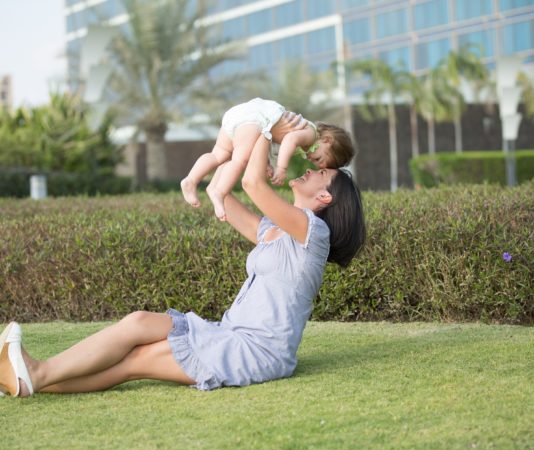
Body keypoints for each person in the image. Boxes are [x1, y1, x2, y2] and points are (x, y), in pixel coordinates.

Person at [0, 119, 365, 397]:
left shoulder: (314, 235)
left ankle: (35, 375)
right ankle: (29, 378)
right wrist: (243, 138)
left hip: (255, 351)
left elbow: (254, 185)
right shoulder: (275, 231)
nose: (311, 168)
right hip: (227, 332)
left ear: (325, 199)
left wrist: (267, 123)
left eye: (321, 173)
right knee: (138, 323)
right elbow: (219, 191)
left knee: (136, 361)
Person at [181, 97, 355, 220]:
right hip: (255, 119)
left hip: (241, 116)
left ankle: (191, 180)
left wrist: (267, 164)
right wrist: (281, 168)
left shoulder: (307, 139)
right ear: (327, 141)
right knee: (239, 160)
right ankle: (219, 192)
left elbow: (268, 140)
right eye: (319, 159)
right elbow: (288, 139)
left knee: (219, 154)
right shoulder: (310, 134)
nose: (311, 160)